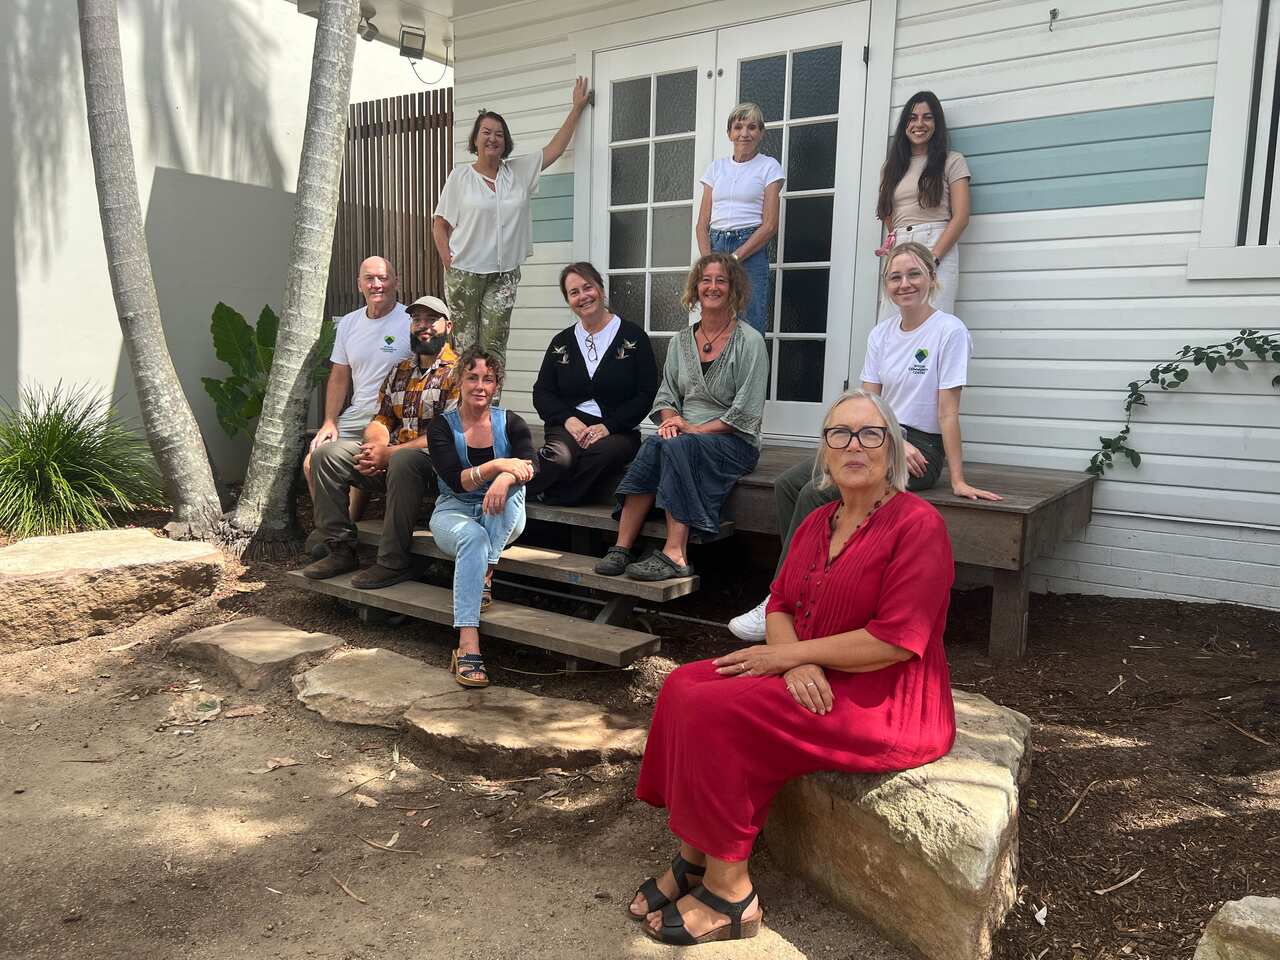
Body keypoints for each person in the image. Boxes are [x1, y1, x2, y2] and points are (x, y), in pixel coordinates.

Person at [628, 390, 957, 945]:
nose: (855, 445)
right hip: (817, 671)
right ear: (824, 450)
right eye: (840, 434)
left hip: (885, 698)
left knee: (719, 712)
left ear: (893, 451)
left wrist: (793, 656)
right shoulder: (818, 520)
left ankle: (732, 891)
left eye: (870, 434)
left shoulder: (917, 524)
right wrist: (789, 660)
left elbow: (897, 642)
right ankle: (695, 856)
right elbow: (779, 603)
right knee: (685, 684)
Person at [728, 242, 999, 642]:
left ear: (931, 279)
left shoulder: (949, 331)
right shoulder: (882, 333)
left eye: (913, 274)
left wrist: (957, 479)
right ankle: (807, 581)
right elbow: (867, 402)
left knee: (813, 493)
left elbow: (947, 413)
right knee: (788, 484)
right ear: (886, 285)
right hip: (877, 433)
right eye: (895, 276)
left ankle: (781, 598)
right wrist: (886, 435)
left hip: (920, 447)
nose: (904, 284)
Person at [594, 253, 767, 582]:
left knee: (676, 446)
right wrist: (673, 421)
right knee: (655, 444)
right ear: (696, 288)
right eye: (706, 280)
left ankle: (676, 553)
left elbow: (746, 412)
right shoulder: (680, 341)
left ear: (734, 289)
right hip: (686, 436)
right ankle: (621, 546)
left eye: (721, 281)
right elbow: (666, 395)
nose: (712, 287)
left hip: (733, 441)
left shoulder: (750, 342)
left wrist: (694, 429)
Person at [432, 78, 592, 366]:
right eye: (486, 132)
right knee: (465, 349)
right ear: (475, 140)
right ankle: (464, 407)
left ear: (505, 142)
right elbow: (440, 223)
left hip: (503, 274)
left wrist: (576, 108)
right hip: (465, 273)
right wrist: (448, 260)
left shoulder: (517, 173)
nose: (493, 138)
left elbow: (553, 150)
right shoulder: (461, 177)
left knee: (494, 347)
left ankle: (491, 410)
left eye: (499, 134)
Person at [302, 296, 459, 583]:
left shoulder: (460, 372)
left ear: (447, 326)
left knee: (403, 459)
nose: (423, 326)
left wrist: (390, 453)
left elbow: (446, 435)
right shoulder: (399, 371)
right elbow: (382, 418)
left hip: (438, 469)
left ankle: (393, 561)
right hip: (395, 459)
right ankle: (339, 549)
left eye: (430, 320)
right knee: (326, 456)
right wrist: (376, 447)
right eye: (416, 320)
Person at [427, 348, 537, 688]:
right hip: (454, 510)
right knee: (472, 536)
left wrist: (505, 478)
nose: (480, 386)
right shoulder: (441, 426)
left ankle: (486, 569)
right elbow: (455, 477)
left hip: (502, 515)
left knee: (516, 484)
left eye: (488, 379)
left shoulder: (511, 422)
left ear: (496, 385)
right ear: (459, 381)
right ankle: (468, 643)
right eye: (472, 377)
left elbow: (531, 464)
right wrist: (498, 466)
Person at [525, 261, 659, 505]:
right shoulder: (561, 342)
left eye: (588, 288)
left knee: (601, 454)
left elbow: (647, 392)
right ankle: (510, 490)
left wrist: (609, 426)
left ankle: (548, 495)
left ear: (600, 288)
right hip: (569, 425)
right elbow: (542, 392)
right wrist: (569, 420)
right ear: (568, 300)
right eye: (574, 293)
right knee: (560, 458)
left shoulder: (633, 337)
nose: (583, 297)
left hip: (618, 430)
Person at [304, 256, 413, 555]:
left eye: (383, 277)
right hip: (356, 413)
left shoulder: (410, 322)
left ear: (396, 281)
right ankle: (334, 531)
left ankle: (344, 536)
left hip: (393, 416)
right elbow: (339, 376)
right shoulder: (349, 323)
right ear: (359, 284)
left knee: (366, 456)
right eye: (369, 278)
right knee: (312, 461)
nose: (376, 284)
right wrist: (330, 421)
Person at [876, 91, 970, 315]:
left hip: (936, 245)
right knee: (892, 324)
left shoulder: (952, 161)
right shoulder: (890, 168)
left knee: (933, 326)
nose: (919, 124)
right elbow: (889, 213)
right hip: (900, 247)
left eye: (927, 117)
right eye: (912, 118)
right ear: (904, 124)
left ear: (936, 123)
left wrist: (932, 259)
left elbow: (961, 217)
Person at [695, 102, 784, 337]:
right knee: (713, 318)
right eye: (738, 127)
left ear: (761, 133)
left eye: (752, 127)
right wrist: (708, 262)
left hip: (750, 249)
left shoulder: (769, 167)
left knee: (750, 323)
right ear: (729, 133)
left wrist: (735, 258)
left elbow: (770, 225)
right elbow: (702, 224)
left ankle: (750, 374)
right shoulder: (716, 168)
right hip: (716, 245)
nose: (744, 133)